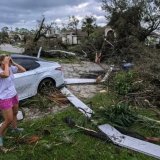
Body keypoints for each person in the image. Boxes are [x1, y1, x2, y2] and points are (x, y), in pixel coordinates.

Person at [0, 54, 26, 147]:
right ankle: (0, 135)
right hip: (4, 98)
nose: (8, 61)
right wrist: (6, 64)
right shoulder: (1, 70)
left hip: (13, 95)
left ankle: (14, 128)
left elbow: (23, 70)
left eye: (9, 59)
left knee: (15, 112)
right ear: (1, 62)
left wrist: (13, 63)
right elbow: (6, 75)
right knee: (8, 120)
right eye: (6, 60)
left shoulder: (10, 68)